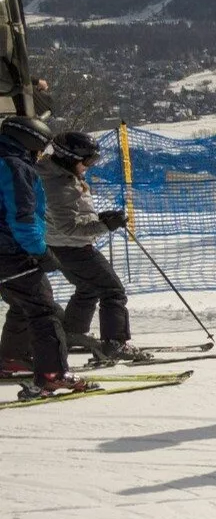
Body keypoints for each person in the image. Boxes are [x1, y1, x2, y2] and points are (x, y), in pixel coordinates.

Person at [0, 116, 98, 397]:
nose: (42, 154)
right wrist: (40, 252)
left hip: (5, 252)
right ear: (29, 141)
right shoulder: (15, 166)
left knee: (22, 305)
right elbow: (22, 216)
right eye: (41, 146)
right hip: (13, 251)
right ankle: (53, 375)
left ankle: (10, 358)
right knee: (45, 311)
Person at [38, 131, 138, 361]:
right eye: (88, 161)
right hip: (71, 247)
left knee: (88, 288)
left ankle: (72, 334)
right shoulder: (59, 184)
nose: (89, 166)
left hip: (59, 245)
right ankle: (115, 343)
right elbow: (69, 227)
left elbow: (68, 217)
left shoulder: (58, 174)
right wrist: (104, 225)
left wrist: (101, 218)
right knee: (112, 290)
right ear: (69, 157)